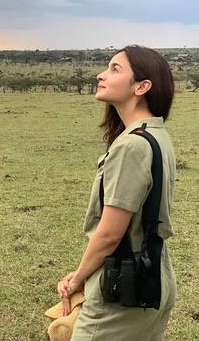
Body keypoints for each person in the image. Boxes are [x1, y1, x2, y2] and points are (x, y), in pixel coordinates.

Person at [57, 45, 177, 340]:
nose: (101, 75)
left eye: (115, 69)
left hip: (125, 286)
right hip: (154, 276)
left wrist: (79, 278)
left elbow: (111, 233)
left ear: (142, 86)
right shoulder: (156, 135)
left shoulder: (131, 145)